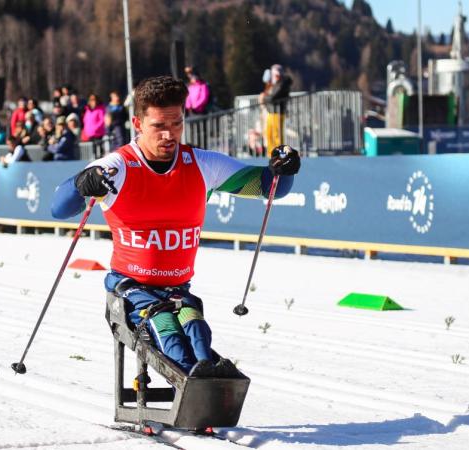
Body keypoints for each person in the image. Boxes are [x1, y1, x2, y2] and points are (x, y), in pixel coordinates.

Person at [50, 76, 300, 377]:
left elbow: (268, 187)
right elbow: (59, 208)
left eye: (177, 124)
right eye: (158, 126)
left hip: (178, 290)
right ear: (138, 123)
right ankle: (193, 388)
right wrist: (81, 184)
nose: (169, 134)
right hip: (131, 288)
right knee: (166, 328)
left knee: (197, 328)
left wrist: (283, 170)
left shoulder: (202, 165)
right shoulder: (117, 167)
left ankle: (203, 383)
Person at [260, 64, 292, 149]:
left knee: (277, 135)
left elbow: (273, 96)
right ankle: (271, 154)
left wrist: (265, 97)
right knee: (269, 134)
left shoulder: (283, 83)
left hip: (278, 112)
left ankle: (279, 154)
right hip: (271, 112)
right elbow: (270, 95)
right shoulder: (274, 84)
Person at [82, 93, 107, 158]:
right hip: (89, 134)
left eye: (94, 100)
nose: (93, 102)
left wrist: (95, 128)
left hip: (98, 134)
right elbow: (85, 121)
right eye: (91, 100)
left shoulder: (100, 109)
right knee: (92, 151)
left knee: (99, 150)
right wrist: (85, 130)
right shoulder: (87, 110)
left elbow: (102, 120)